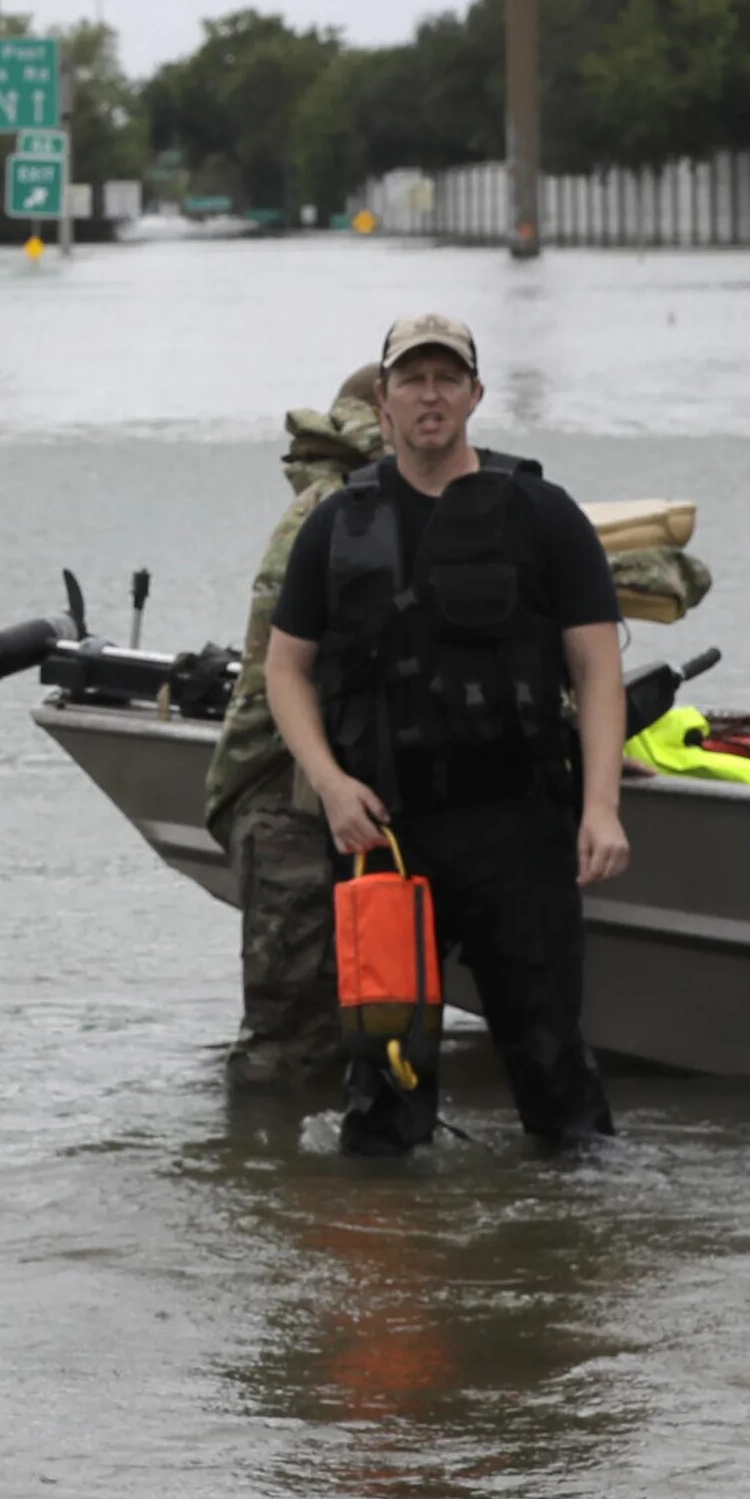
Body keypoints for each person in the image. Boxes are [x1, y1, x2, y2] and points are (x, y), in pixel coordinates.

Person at [262, 313, 627, 1155]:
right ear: (383, 402)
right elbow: (286, 671)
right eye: (413, 380)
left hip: (521, 827)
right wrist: (328, 781)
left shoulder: (542, 514)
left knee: (555, 1073)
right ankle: (390, 1264)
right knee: (385, 1078)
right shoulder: (336, 524)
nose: (431, 395)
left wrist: (600, 808)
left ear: (474, 394)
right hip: (385, 832)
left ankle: (572, 1260)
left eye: (447, 378)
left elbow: (597, 668)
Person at [199, 366, 383, 1088]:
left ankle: (304, 1186)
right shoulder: (328, 515)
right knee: (291, 1041)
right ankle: (269, 1183)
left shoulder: (363, 507)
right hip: (288, 800)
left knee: (359, 1021)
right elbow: (276, 673)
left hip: (333, 797)